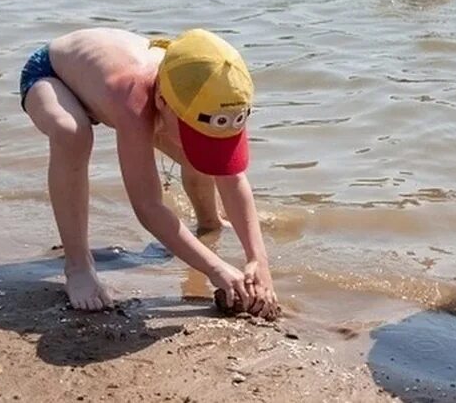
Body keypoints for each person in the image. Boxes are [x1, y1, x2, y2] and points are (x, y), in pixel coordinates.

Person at [19, 28, 279, 318]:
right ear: (162, 103)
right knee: (73, 133)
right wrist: (214, 268)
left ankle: (209, 221)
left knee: (204, 155)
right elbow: (148, 206)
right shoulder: (133, 99)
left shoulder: (218, 93)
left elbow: (232, 176)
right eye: (192, 130)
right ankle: (78, 265)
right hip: (52, 74)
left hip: (123, 91)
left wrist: (259, 260)